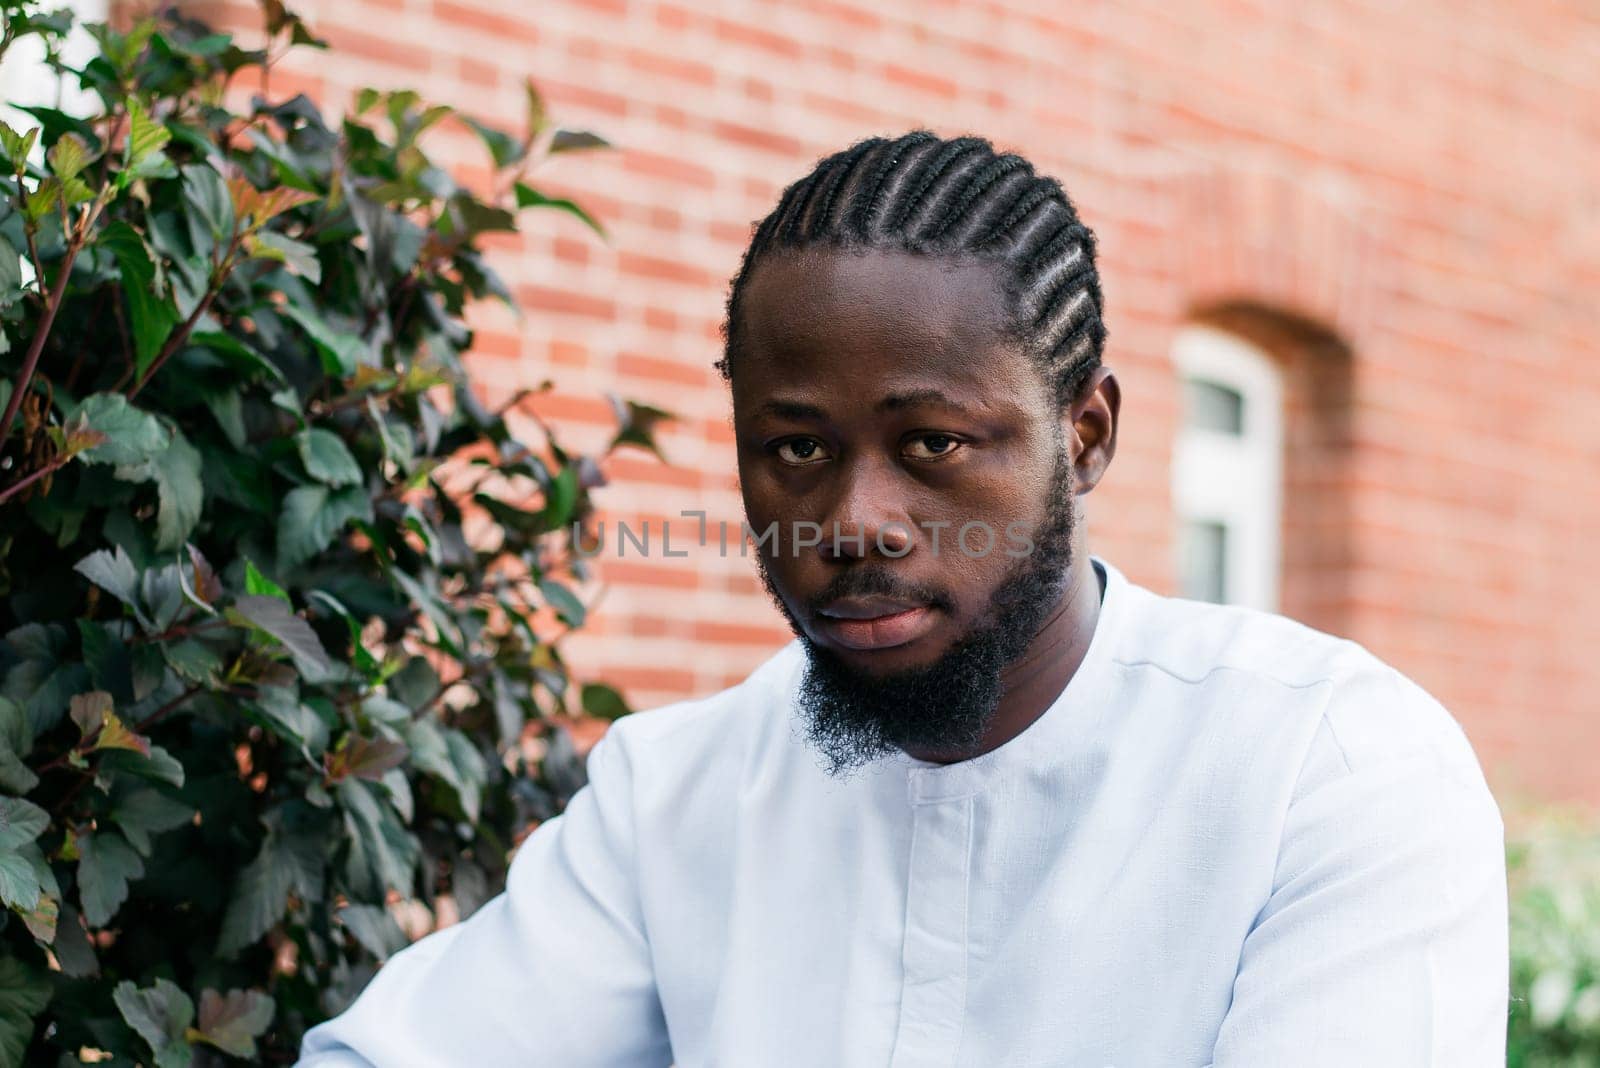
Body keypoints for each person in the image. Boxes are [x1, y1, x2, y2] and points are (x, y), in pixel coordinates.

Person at [298, 132, 1508, 1066]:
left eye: (930, 444)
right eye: (794, 448)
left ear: (1083, 437)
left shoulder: (1327, 764)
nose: (852, 521)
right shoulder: (674, 793)